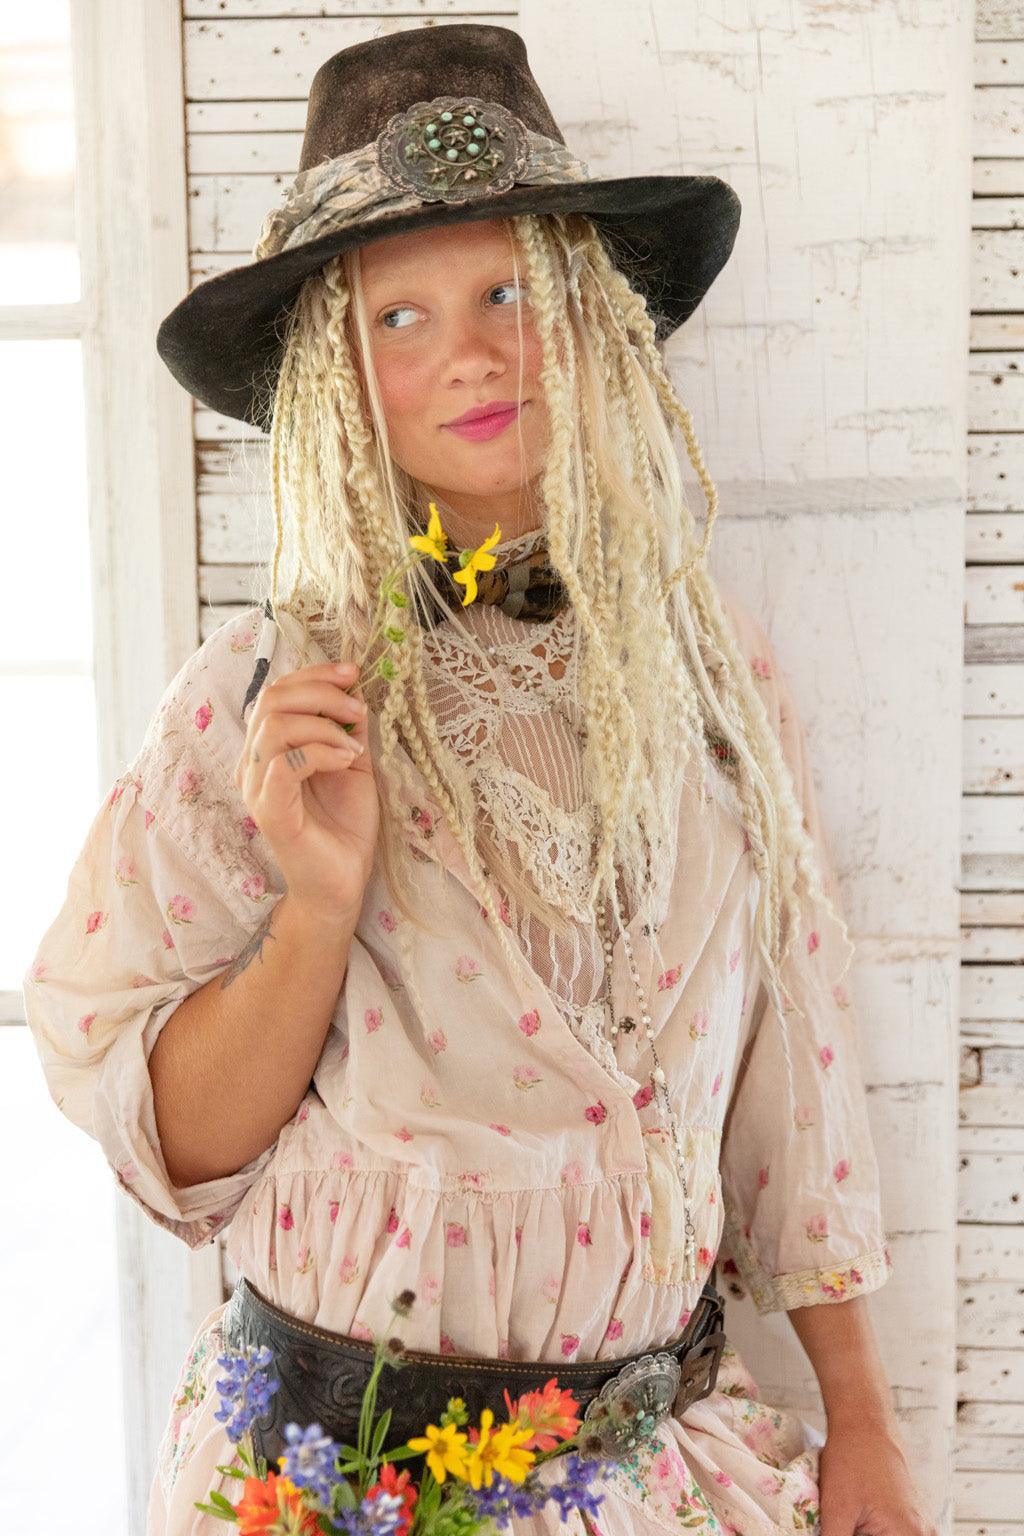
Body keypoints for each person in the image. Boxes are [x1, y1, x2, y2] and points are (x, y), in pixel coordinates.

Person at [21, 23, 937, 1536]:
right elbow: (174, 1144)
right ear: (337, 368)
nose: (473, 350)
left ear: (584, 314)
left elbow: (797, 1059)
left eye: (511, 290)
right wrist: (317, 906)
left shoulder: (709, 676)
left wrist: (867, 1423)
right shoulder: (274, 707)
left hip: (652, 1467)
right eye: (402, 318)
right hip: (340, 1487)